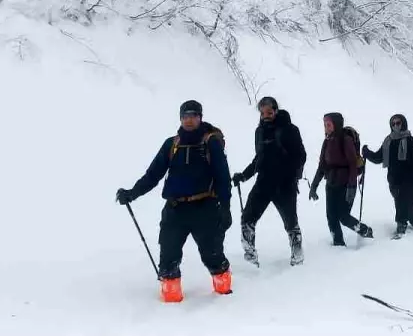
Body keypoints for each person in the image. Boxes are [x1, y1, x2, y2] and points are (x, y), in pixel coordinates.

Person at [116, 100, 232, 303]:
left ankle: (225, 297)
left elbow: (223, 177)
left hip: (205, 208)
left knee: (212, 255)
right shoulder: (172, 144)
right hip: (175, 209)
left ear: (200, 117)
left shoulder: (210, 142)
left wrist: (226, 208)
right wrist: (132, 193)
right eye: (185, 116)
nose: (189, 120)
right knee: (168, 257)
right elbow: (153, 175)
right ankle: (170, 304)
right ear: (180, 118)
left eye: (193, 115)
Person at [231, 96, 307, 267]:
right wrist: (244, 175)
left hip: (284, 184)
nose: (266, 115)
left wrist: (288, 172)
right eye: (263, 112)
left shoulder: (289, 129)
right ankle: (250, 257)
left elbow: (301, 155)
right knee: (247, 218)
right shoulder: (260, 131)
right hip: (263, 182)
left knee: (291, 223)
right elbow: (259, 159)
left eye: (269, 112)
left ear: (276, 111)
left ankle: (297, 257)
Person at [309, 113, 373, 245]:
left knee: (343, 217)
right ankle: (338, 244)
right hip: (331, 184)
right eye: (324, 125)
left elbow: (352, 164)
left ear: (336, 124)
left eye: (329, 125)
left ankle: (365, 231)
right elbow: (322, 166)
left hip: (345, 184)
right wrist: (314, 186)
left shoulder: (345, 140)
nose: (326, 128)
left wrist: (352, 187)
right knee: (331, 217)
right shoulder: (326, 142)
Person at [363, 114, 413, 239]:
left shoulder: (411, 140)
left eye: (398, 123)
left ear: (403, 123)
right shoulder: (388, 141)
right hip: (394, 179)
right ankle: (401, 224)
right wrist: (367, 153)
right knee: (400, 202)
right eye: (393, 124)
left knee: (411, 202)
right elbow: (378, 158)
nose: (396, 126)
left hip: (410, 178)